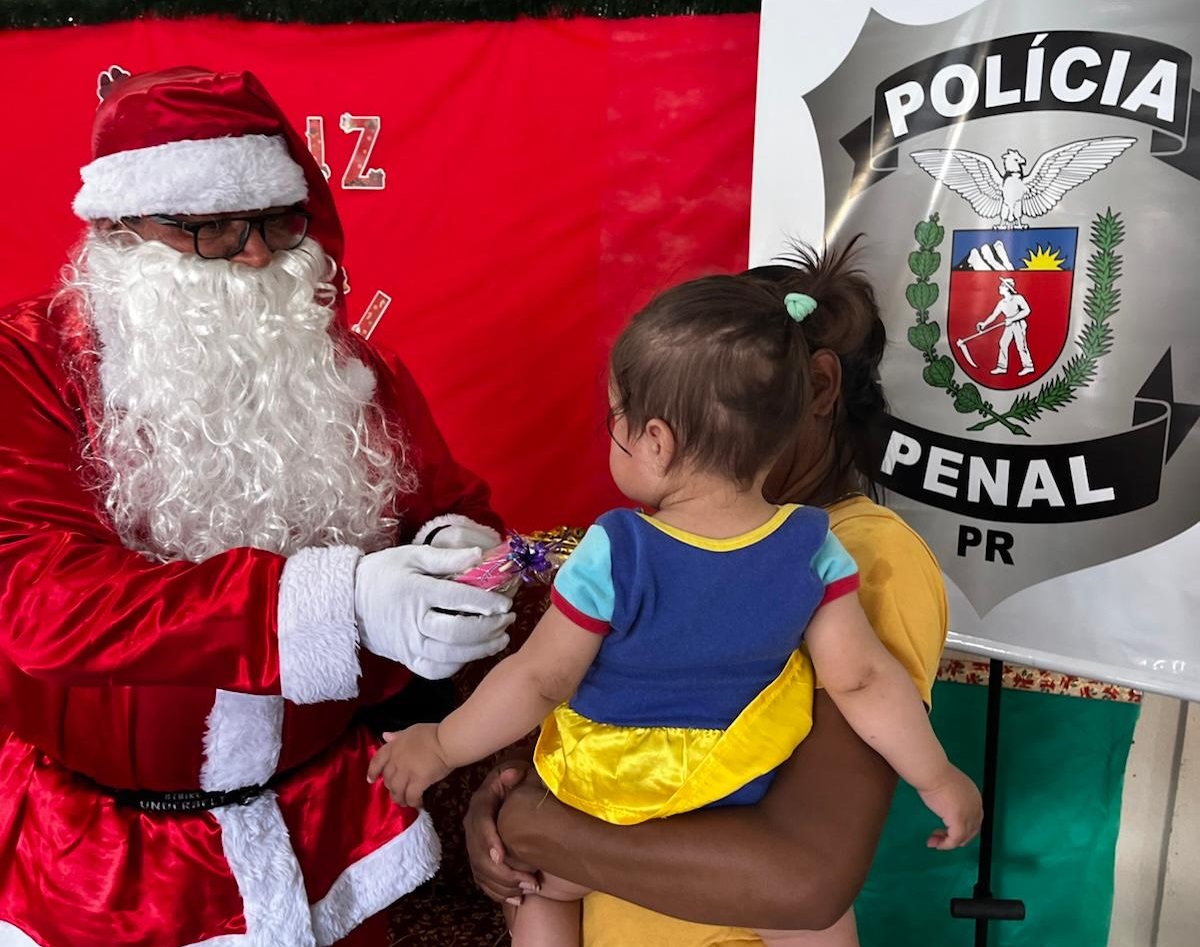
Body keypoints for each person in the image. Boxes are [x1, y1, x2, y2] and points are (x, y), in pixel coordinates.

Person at [0, 66, 516, 947]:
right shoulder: (25, 368)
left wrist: (456, 550)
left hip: (327, 825)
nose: (255, 255)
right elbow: (39, 601)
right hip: (104, 866)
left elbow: (446, 501)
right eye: (212, 228)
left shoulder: (343, 365)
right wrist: (340, 600)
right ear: (119, 230)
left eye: (278, 222)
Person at [373, 260, 980, 945]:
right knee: (823, 928)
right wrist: (938, 778)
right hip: (732, 783)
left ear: (657, 441)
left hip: (606, 790)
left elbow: (539, 678)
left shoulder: (619, 548)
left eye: (617, 419)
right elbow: (864, 679)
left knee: (539, 888)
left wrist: (444, 749)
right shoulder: (814, 549)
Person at [977, 276, 1034, 376]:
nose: (999, 287)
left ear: (1007, 288)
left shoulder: (1018, 298)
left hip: (1018, 324)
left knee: (1021, 345)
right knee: (1003, 343)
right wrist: (984, 324)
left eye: (1001, 286)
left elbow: (1027, 310)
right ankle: (1002, 367)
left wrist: (1012, 319)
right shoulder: (1002, 303)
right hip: (1009, 324)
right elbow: (993, 315)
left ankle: (1028, 366)